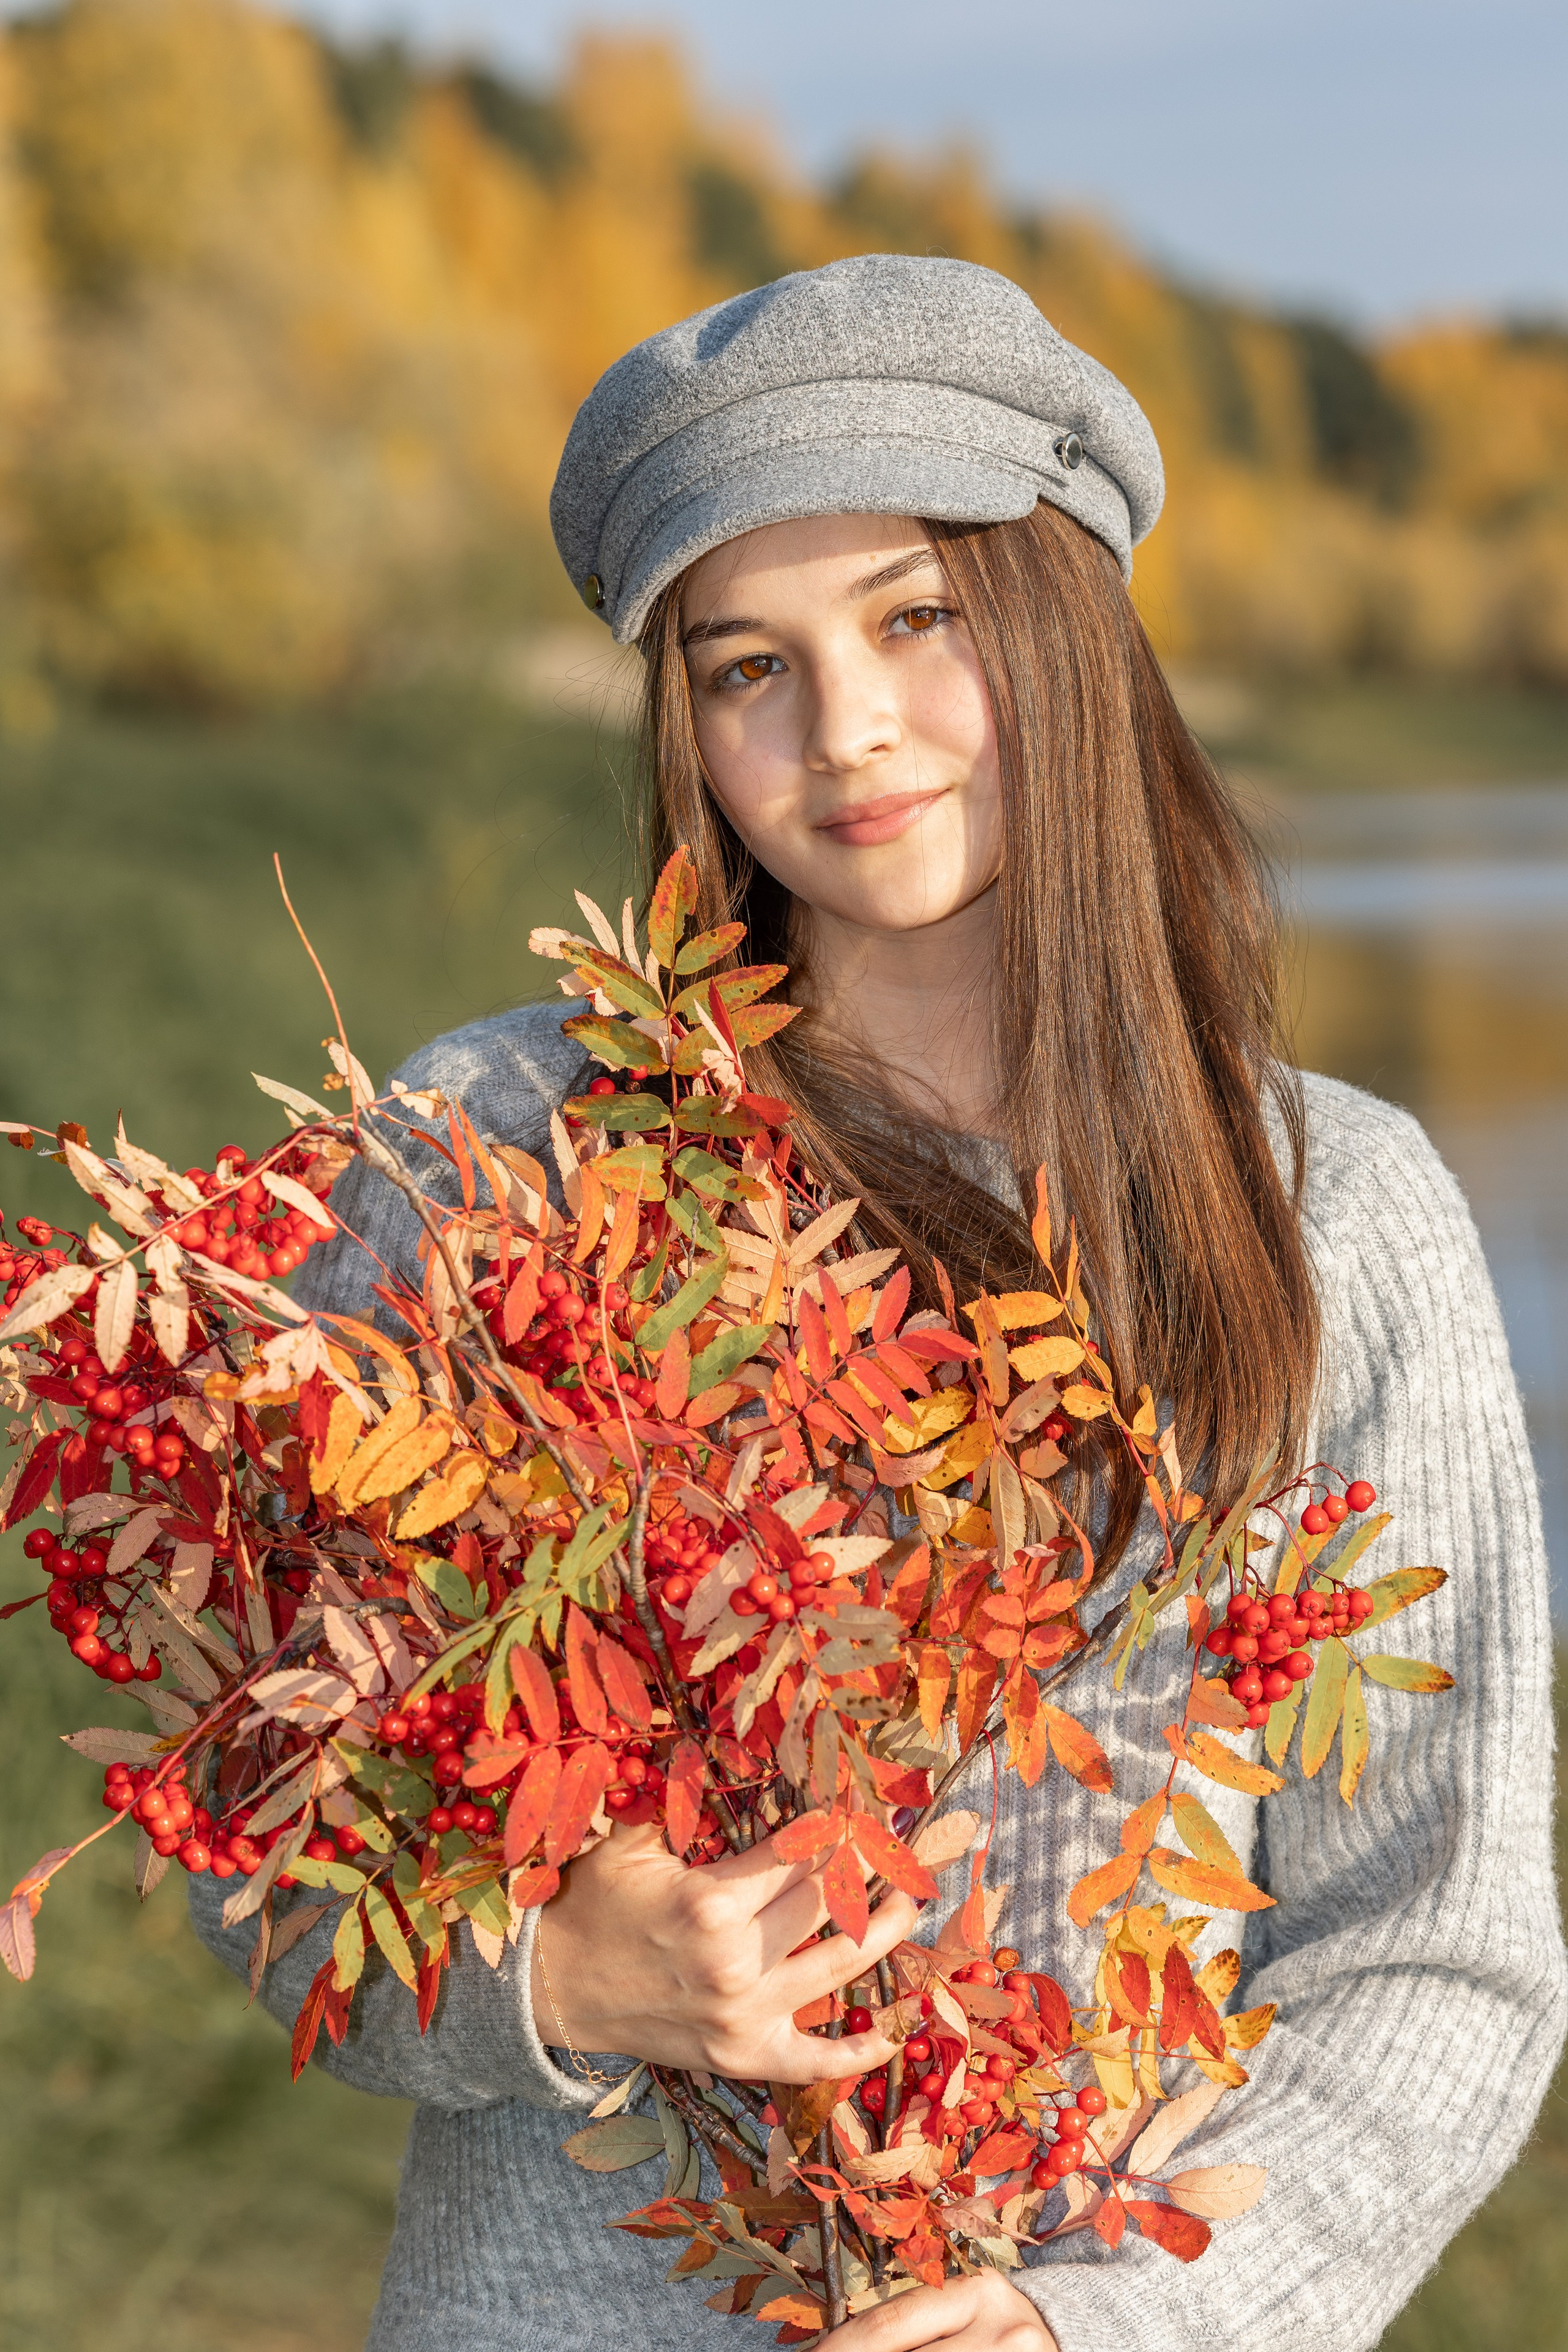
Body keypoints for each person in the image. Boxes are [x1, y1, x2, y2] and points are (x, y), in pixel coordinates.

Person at [190, 254, 1567, 2352]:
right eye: (748, 665)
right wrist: (549, 1975)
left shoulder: (1325, 1210)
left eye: (920, 620)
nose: (847, 734)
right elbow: (255, 1822)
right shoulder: (494, 1153)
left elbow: (1442, 1948)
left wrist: (1116, 2321)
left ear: (1064, 624)